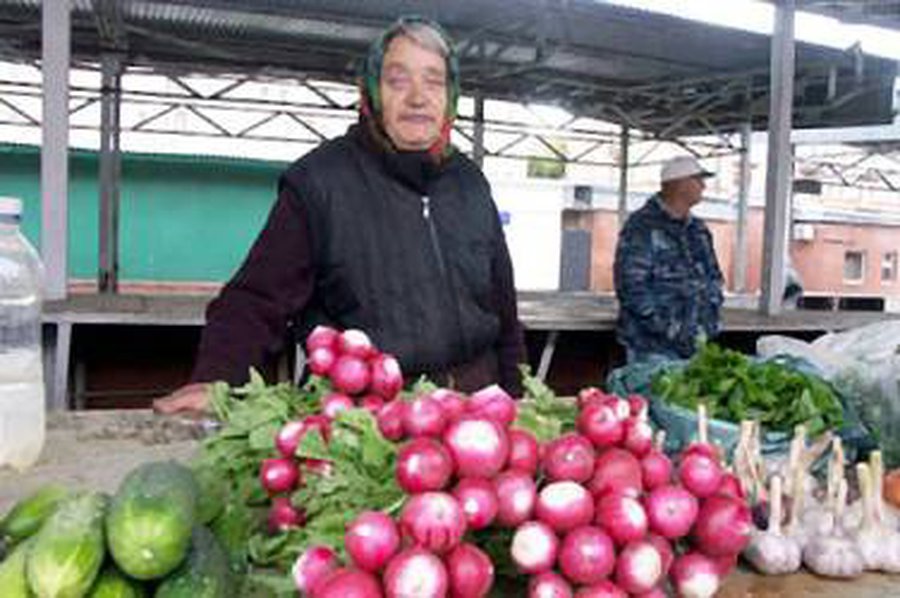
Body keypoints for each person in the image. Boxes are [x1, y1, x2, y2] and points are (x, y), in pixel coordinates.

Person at [154, 16, 525, 414]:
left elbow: (503, 311)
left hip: (471, 412)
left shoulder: (470, 183)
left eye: (433, 81)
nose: (418, 97)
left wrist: (518, 399)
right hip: (365, 419)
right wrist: (217, 378)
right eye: (398, 81)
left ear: (450, 96)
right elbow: (258, 299)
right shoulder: (319, 181)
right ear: (370, 93)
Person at [613, 155, 724, 363]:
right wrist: (668, 328)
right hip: (653, 347)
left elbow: (714, 277)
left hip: (696, 344)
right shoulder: (642, 227)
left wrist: (709, 321)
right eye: (698, 179)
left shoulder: (698, 229)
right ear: (680, 184)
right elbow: (631, 286)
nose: (703, 186)